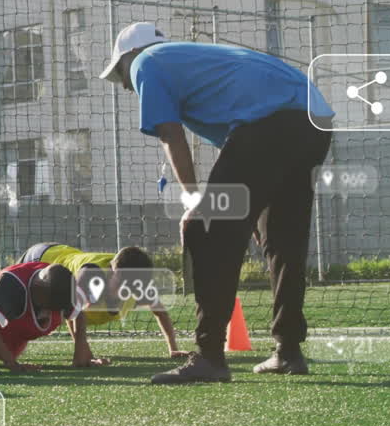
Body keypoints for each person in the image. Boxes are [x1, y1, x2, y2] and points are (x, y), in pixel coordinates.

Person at [100, 22, 333, 383]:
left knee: (203, 228)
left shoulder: (147, 62)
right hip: (314, 121)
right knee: (282, 241)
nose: (126, 85)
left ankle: (209, 356)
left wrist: (194, 200)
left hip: (270, 125)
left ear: (131, 54)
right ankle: (288, 350)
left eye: (121, 73)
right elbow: (252, 159)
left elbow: (170, 134)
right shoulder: (195, 64)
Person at [21, 242, 183, 360]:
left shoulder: (139, 285)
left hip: (63, 253)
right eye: (120, 283)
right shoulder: (91, 277)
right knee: (28, 316)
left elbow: (161, 312)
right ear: (113, 272)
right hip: (42, 258)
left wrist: (173, 349)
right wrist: (85, 353)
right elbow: (73, 311)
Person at [0, 261, 85, 372]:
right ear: (38, 289)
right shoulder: (11, 284)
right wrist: (11, 363)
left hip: (13, 335)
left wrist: (82, 351)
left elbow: (78, 313)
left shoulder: (62, 285)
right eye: (49, 306)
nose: (49, 312)